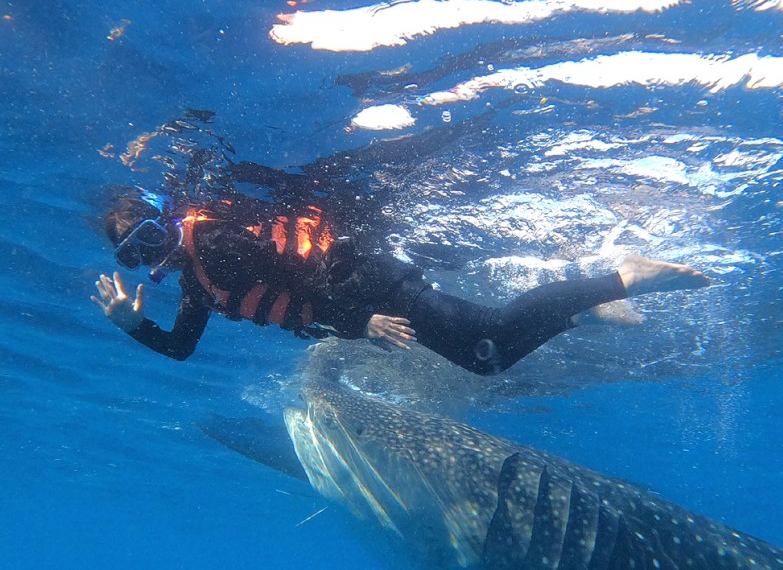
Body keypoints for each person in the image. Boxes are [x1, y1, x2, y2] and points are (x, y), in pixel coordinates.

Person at [92, 188, 710, 375]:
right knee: (486, 360)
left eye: (154, 231)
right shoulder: (199, 283)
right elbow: (180, 346)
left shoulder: (218, 245)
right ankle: (582, 311)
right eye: (137, 251)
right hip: (357, 303)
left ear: (166, 216)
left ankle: (621, 277)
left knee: (490, 341)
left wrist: (361, 322)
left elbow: (292, 273)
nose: (156, 250)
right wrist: (132, 326)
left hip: (368, 288)